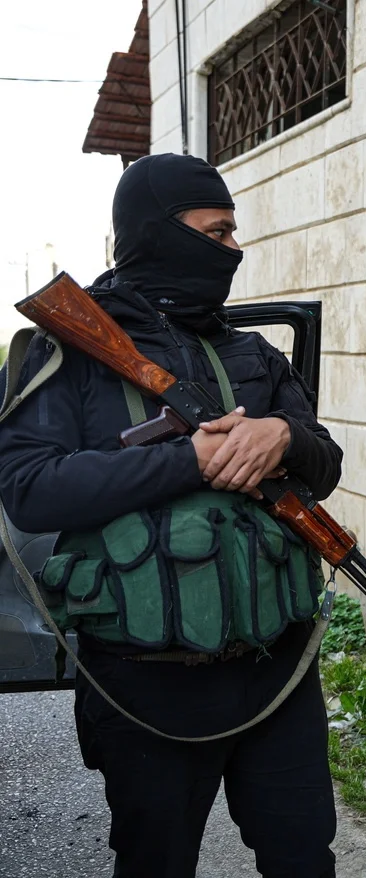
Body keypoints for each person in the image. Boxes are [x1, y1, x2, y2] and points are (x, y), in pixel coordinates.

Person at [0, 154, 342, 876]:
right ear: (158, 232)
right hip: (145, 677)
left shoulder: (252, 353)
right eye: (216, 233)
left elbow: (325, 463)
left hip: (276, 667)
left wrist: (283, 436)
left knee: (304, 856)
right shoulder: (70, 354)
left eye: (232, 233)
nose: (233, 250)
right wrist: (189, 459)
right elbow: (29, 488)